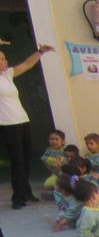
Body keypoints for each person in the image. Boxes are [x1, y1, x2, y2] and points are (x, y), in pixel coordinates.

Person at [0, 42, 53, 215]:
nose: (3, 61)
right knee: (17, 162)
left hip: (22, 121)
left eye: (3, 58)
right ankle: (17, 198)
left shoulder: (7, 75)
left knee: (26, 160)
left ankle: (27, 193)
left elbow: (27, 64)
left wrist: (40, 52)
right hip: (7, 125)